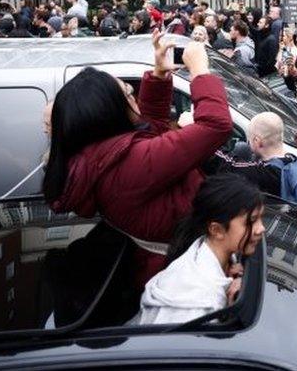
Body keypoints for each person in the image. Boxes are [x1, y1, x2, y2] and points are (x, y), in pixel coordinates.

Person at [43, 34, 233, 288]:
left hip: (169, 265)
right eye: (129, 93)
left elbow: (148, 130)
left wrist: (159, 75)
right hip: (186, 276)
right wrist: (200, 71)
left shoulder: (101, 154)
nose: (135, 97)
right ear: (111, 111)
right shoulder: (129, 164)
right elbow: (216, 125)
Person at [134, 174, 265, 325]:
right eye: (252, 221)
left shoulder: (223, 258)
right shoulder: (194, 308)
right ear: (217, 230)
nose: (261, 228)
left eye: (261, 218)